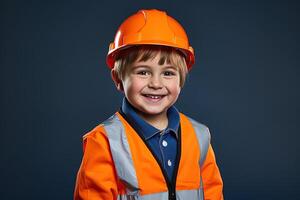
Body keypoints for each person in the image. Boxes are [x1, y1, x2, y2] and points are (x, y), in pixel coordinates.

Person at [74, 9, 223, 200]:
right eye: (143, 72)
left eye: (168, 73)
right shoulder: (105, 142)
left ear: (181, 80)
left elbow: (212, 193)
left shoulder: (199, 136)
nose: (155, 83)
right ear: (118, 78)